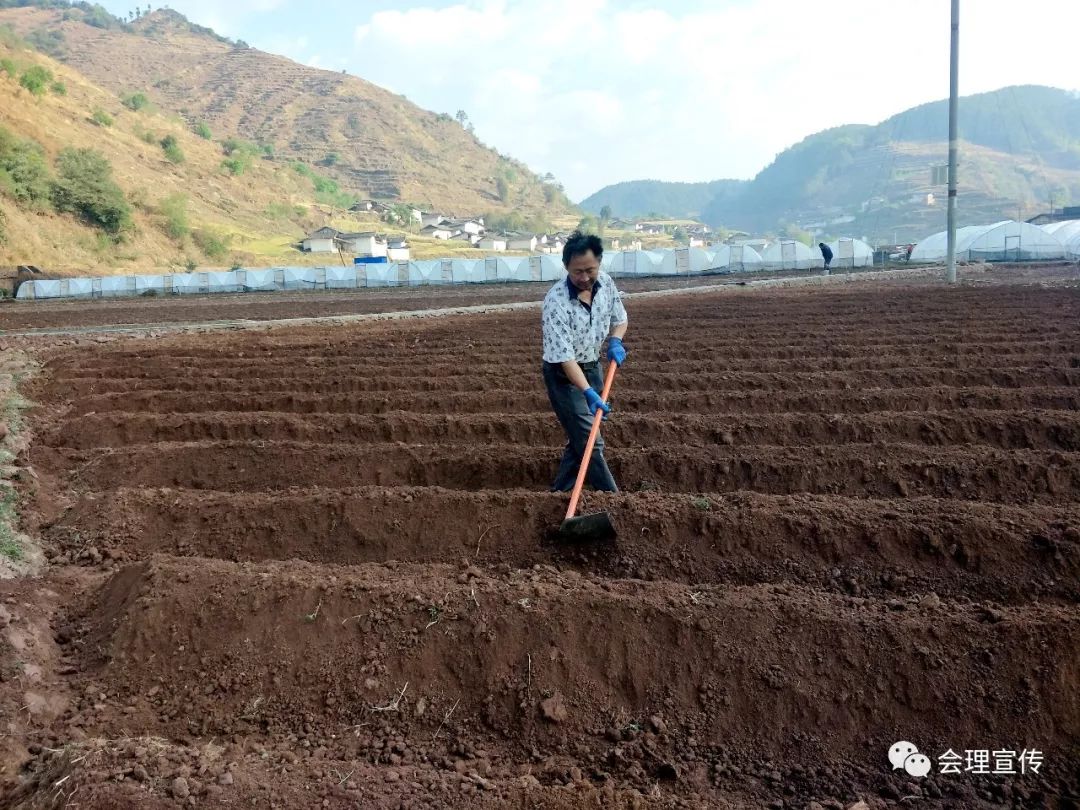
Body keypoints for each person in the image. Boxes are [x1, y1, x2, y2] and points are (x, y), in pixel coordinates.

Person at [541, 230, 628, 492]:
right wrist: (588, 392)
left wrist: (615, 340)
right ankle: (612, 497)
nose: (584, 277)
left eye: (590, 269)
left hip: (593, 367)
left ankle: (561, 491)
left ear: (599, 262)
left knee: (581, 437)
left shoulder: (607, 285)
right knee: (592, 439)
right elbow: (566, 360)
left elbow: (620, 319)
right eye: (577, 271)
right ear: (566, 267)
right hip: (564, 376)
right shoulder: (555, 302)